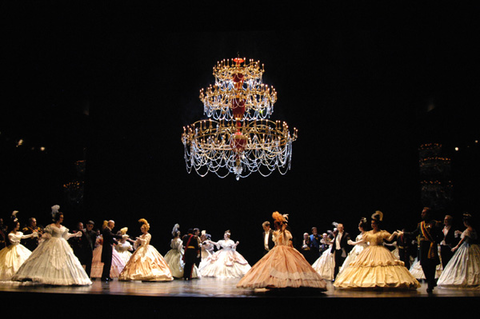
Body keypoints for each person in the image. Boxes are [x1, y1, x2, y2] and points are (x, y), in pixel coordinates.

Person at [237, 212, 327, 289]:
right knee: (275, 267)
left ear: (279, 224)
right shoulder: (275, 233)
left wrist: (284, 231)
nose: (274, 226)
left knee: (288, 267)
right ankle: (274, 283)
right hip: (277, 250)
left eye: (276, 224)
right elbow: (276, 242)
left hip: (286, 249)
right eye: (274, 224)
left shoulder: (286, 233)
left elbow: (287, 241)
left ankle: (287, 284)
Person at [334, 211, 420, 289]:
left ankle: (380, 282)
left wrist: (394, 234)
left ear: (377, 224)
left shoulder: (382, 232)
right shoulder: (368, 233)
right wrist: (353, 243)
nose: (372, 225)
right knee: (367, 266)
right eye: (371, 223)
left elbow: (389, 239)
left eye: (374, 223)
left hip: (380, 250)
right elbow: (363, 241)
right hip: (369, 250)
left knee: (382, 266)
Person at [12, 206, 92, 285]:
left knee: (65, 260)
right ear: (57, 218)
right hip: (53, 242)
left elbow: (65, 235)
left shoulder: (63, 227)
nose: (62, 219)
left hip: (62, 243)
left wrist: (75, 235)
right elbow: (47, 235)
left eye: (62, 217)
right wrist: (41, 236)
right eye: (61, 217)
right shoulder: (51, 226)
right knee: (49, 259)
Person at [401, 207, 442, 293]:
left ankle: (430, 283)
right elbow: (414, 233)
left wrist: (434, 241)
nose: (422, 214)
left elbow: (441, 236)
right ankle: (430, 281)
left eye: (424, 213)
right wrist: (404, 234)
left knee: (431, 266)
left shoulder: (435, 223)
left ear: (428, 214)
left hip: (431, 247)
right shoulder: (421, 224)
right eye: (422, 213)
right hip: (423, 248)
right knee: (424, 265)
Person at [437, 213, 480, 287]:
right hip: (474, 247)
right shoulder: (473, 230)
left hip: (466, 247)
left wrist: (456, 247)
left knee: (464, 263)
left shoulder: (467, 230)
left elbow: (462, 240)